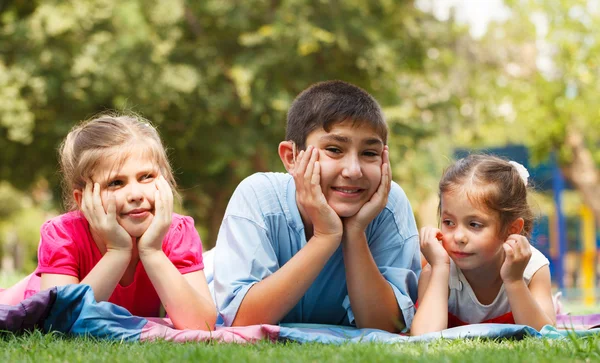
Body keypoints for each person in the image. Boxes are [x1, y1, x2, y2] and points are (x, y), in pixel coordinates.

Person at [212, 80, 420, 333]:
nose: (353, 171)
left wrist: (354, 233)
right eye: (334, 150)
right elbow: (242, 322)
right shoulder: (259, 195)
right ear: (291, 157)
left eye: (369, 154)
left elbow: (388, 327)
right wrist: (326, 237)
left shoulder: (388, 204)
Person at [26, 113, 216, 330]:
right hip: (31, 294)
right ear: (83, 199)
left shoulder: (177, 232)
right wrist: (117, 251)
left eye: (146, 177)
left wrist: (153, 252)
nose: (135, 194)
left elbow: (202, 325)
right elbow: (58, 325)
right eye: (116, 182)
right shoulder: (62, 235)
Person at [411, 155, 556, 335]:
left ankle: (555, 304)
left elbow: (546, 334)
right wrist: (440, 268)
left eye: (474, 225)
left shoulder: (532, 268)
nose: (459, 237)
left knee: (549, 308)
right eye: (448, 222)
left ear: (511, 230)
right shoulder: (437, 268)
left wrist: (514, 280)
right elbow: (423, 337)